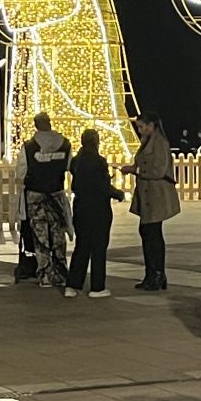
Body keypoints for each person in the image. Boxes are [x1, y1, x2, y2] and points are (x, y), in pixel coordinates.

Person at [122, 111, 180, 292]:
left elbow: (158, 170)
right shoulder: (148, 142)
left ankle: (157, 274)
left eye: (141, 126)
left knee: (152, 233)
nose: (139, 130)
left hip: (156, 194)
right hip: (148, 194)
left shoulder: (160, 143)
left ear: (151, 125)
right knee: (148, 232)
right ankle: (152, 274)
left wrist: (136, 171)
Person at [64, 129, 122, 298]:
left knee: (81, 246)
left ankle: (73, 285)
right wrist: (117, 193)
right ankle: (97, 287)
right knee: (98, 247)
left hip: (81, 207)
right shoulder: (99, 162)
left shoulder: (76, 161)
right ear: (96, 141)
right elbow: (102, 187)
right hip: (98, 208)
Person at [20, 112, 72, 290]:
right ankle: (61, 273)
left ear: (36, 125)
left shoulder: (29, 146)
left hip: (36, 196)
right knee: (58, 235)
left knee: (40, 237)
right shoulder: (64, 144)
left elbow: (20, 172)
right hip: (56, 194)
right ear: (49, 123)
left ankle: (45, 275)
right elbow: (69, 167)